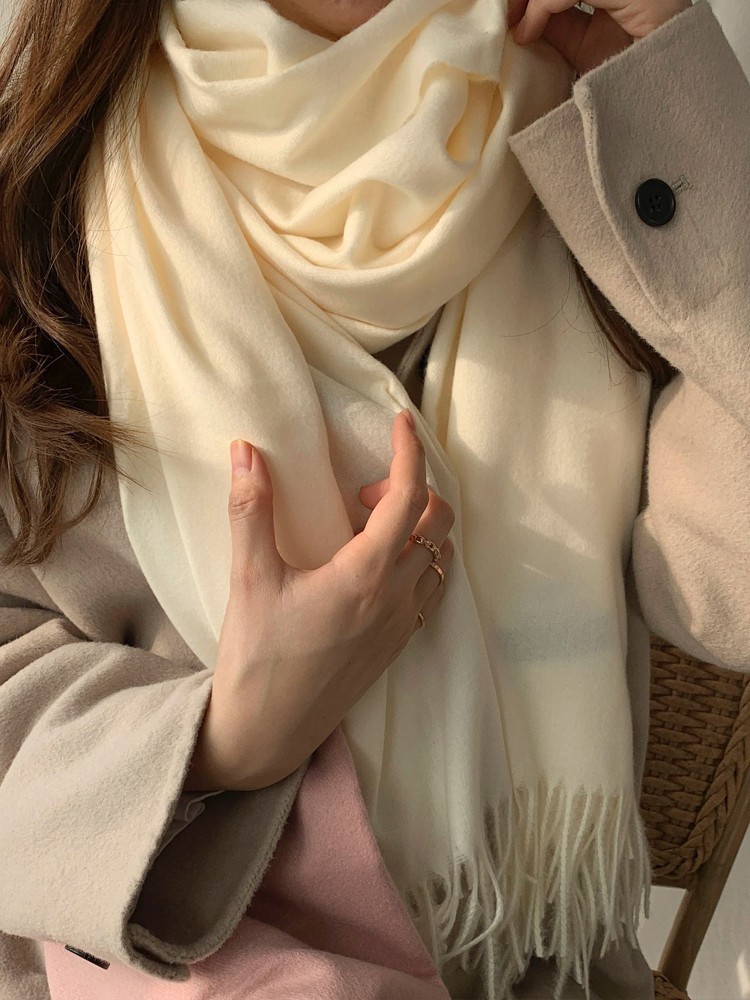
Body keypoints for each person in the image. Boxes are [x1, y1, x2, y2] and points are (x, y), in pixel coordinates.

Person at [0, 0, 747, 998]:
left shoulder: (601, 149)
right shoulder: (40, 181)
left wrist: (686, 109)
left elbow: (727, 586)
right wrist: (225, 739)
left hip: (524, 969)